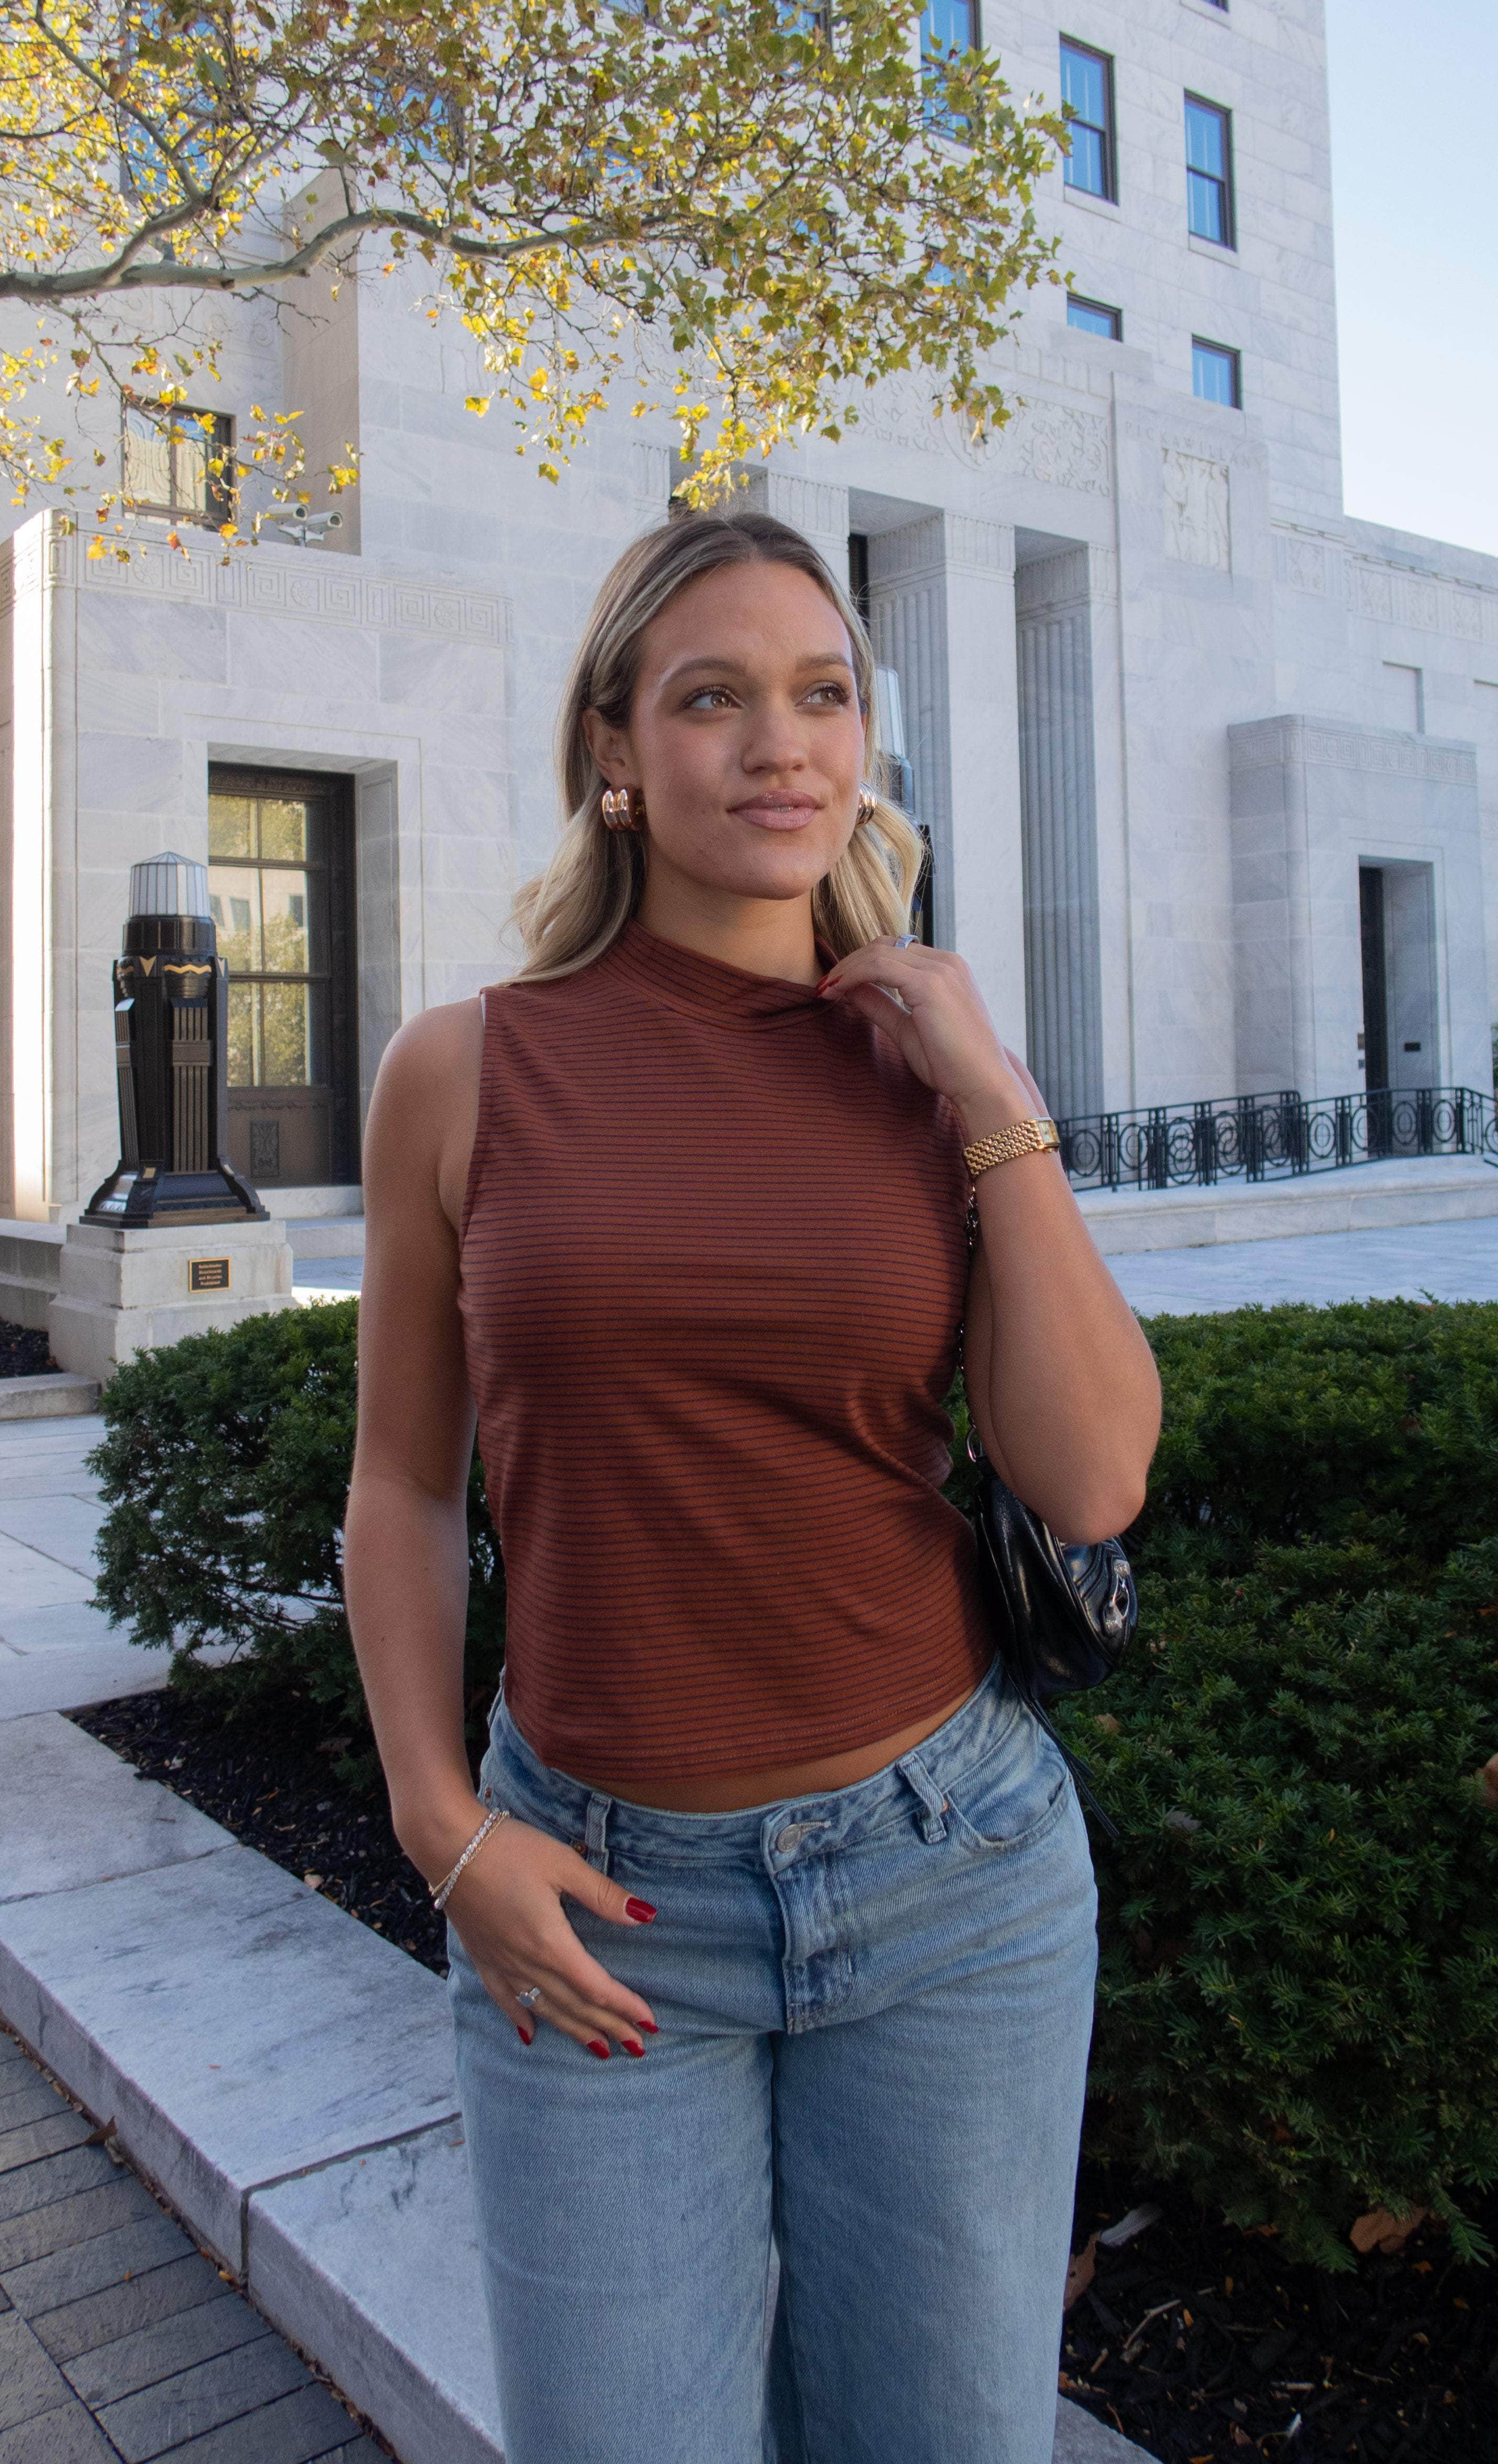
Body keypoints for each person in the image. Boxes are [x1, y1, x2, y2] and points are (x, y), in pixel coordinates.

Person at [345, 508, 1161, 2464]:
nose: (781, 744)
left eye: (823, 695)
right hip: (599, 1908)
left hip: (953, 1876)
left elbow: (1091, 1474)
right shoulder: (464, 1071)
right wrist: (440, 1823)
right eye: (713, 698)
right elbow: (400, 1482)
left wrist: (990, 1094)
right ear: (615, 750)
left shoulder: (929, 1061)